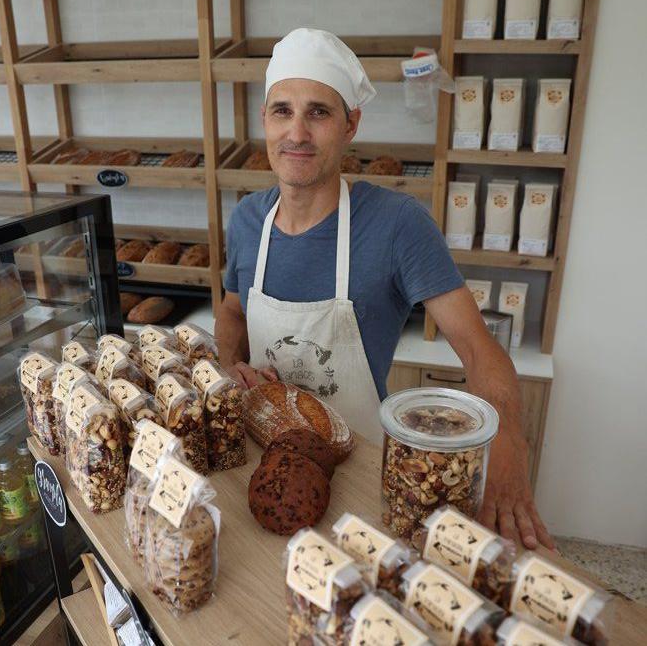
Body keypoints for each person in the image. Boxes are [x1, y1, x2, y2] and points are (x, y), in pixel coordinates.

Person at [215, 28, 554, 551]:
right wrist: (226, 360)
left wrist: (509, 440)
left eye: (319, 113)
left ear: (352, 124)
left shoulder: (397, 225)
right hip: (263, 466)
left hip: (364, 478)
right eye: (282, 111)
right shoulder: (245, 222)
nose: (297, 133)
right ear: (264, 119)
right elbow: (233, 315)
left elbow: (478, 346)